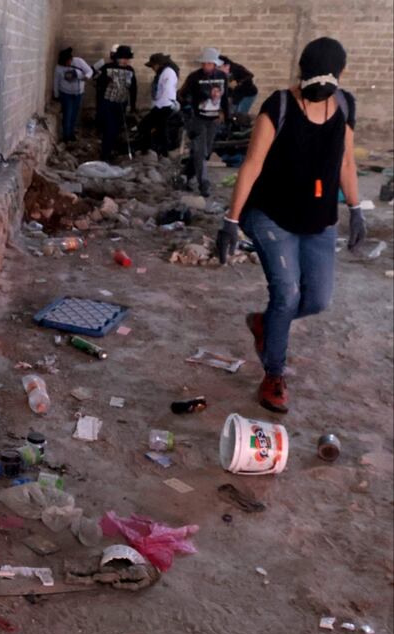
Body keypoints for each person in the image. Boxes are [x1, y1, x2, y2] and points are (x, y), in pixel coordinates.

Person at [215, 37, 364, 413]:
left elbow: (346, 163)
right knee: (287, 295)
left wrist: (357, 208)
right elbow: (251, 164)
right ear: (303, 73)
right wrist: (231, 220)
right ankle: (274, 374)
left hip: (319, 220)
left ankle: (266, 324)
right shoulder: (279, 105)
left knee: (317, 299)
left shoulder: (345, 106)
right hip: (271, 216)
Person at [178, 47, 230, 197]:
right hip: (197, 119)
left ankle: (186, 175)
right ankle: (204, 184)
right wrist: (188, 113)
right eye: (204, 63)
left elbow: (225, 98)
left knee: (204, 152)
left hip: (213, 120)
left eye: (209, 63)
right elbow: (182, 95)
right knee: (200, 152)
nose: (206, 66)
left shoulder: (222, 77)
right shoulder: (194, 77)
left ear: (215, 64)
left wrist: (227, 117)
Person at [95, 45, 137, 163]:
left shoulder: (130, 70)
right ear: (118, 58)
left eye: (128, 59)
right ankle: (105, 154)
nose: (126, 61)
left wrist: (132, 105)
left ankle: (111, 151)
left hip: (121, 104)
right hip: (107, 103)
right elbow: (98, 85)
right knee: (109, 128)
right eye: (124, 58)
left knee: (117, 129)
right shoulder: (106, 68)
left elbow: (133, 88)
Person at [135, 53, 180, 155]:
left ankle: (150, 151)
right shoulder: (163, 73)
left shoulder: (168, 73)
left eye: (153, 66)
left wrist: (158, 107)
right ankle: (158, 152)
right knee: (160, 130)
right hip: (162, 105)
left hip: (164, 106)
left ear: (158, 64)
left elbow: (167, 92)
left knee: (146, 126)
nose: (152, 68)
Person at [53, 47, 94, 142]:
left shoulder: (79, 61)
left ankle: (71, 134)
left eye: (68, 62)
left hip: (78, 93)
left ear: (71, 59)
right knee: (67, 114)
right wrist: (56, 94)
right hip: (66, 94)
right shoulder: (59, 66)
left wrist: (85, 77)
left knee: (74, 115)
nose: (66, 64)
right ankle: (66, 136)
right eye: (64, 63)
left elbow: (90, 71)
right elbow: (56, 80)